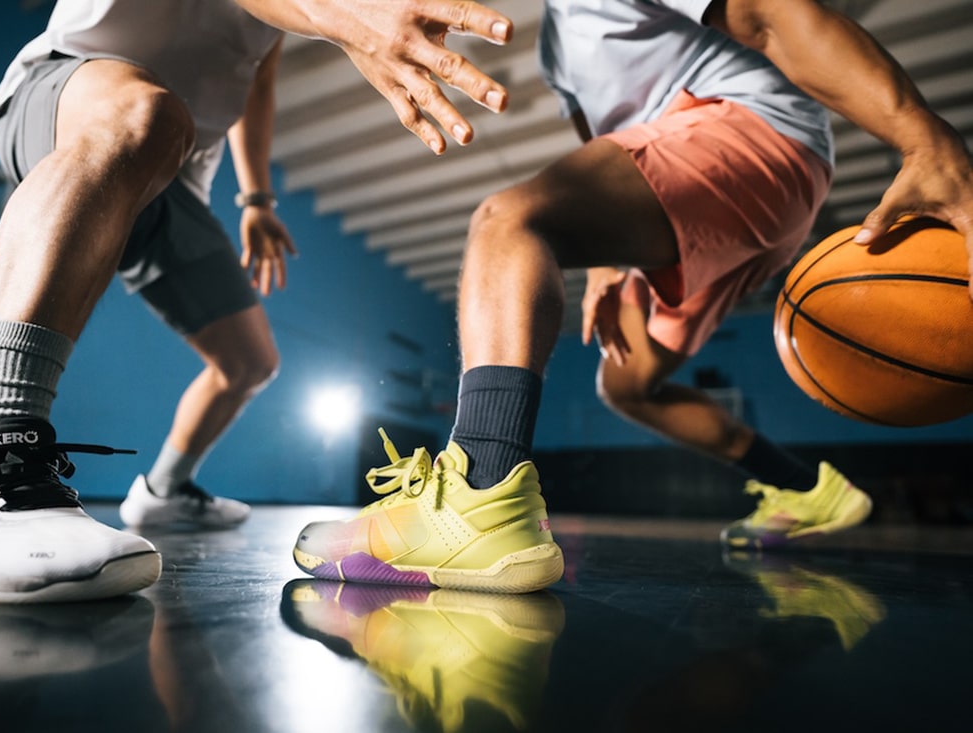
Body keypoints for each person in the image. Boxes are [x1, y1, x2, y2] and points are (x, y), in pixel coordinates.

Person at [292, 0, 973, 592]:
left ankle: (478, 494)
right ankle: (804, 487)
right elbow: (607, 139)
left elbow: (770, 18)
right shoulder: (560, 48)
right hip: (727, 183)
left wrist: (921, 134)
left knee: (510, 220)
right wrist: (606, 265)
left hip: (749, 134)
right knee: (630, 382)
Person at [0, 0, 516, 604]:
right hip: (65, 89)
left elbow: (258, 82)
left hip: (174, 176)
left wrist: (257, 201)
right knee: (147, 117)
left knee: (249, 362)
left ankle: (165, 491)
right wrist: (353, 21)